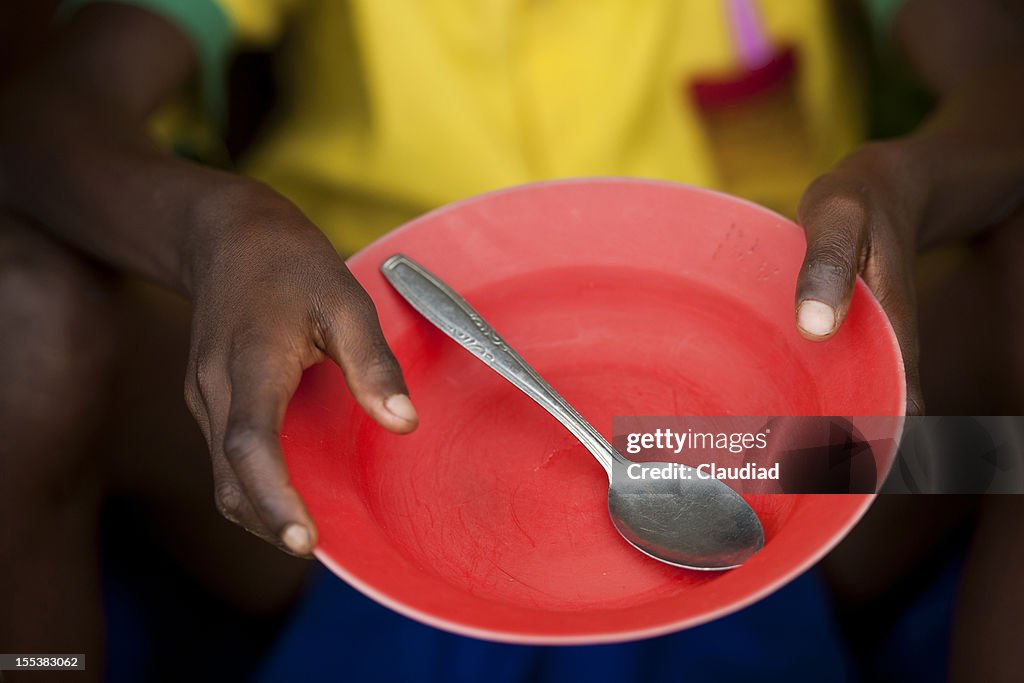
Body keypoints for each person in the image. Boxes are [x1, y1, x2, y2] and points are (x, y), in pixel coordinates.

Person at [0, 0, 1021, 680]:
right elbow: (44, 118)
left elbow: (1002, 75)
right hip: (339, 422)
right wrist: (211, 225)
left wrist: (908, 180)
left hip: (789, 444)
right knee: (26, 316)